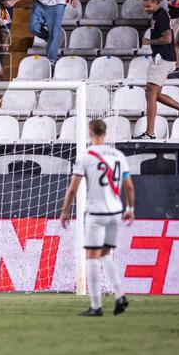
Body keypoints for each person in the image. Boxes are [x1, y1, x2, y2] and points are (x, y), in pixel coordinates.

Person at [59, 119, 134, 316]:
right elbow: (129, 186)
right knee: (105, 254)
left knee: (91, 256)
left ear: (91, 133)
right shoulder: (118, 155)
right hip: (116, 212)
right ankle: (119, 296)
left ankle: (96, 306)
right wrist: (131, 208)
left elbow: (73, 187)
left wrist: (65, 210)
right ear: (105, 133)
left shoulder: (86, 157)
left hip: (96, 213)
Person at [138, 0, 179, 140]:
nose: (146, 9)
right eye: (145, 6)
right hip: (164, 58)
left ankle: (150, 133)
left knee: (150, 94)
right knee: (155, 94)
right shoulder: (158, 15)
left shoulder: (160, 16)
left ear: (156, 4)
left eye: (149, 6)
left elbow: (168, 38)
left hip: (163, 58)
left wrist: (150, 42)